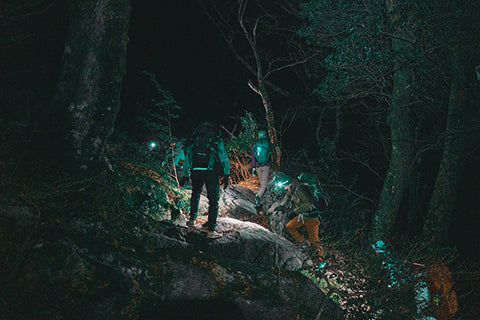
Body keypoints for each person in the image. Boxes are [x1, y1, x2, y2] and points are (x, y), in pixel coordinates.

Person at [183, 122, 230, 238]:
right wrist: (226, 173)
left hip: (196, 170)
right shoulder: (216, 137)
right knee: (213, 201)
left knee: (195, 194)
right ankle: (211, 230)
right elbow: (223, 156)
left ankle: (192, 220)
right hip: (210, 171)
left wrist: (185, 174)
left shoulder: (195, 137)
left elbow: (188, 154)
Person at [275, 175, 326, 260]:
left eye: (284, 185)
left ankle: (321, 258)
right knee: (290, 226)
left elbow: (307, 204)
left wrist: (295, 212)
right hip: (302, 217)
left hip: (311, 218)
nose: (283, 187)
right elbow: (287, 196)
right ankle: (303, 243)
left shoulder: (300, 190)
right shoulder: (292, 188)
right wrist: (281, 205)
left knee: (314, 240)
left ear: (288, 184)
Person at [251, 130, 276, 208]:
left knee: (262, 184)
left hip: (258, 166)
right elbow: (274, 155)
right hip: (266, 165)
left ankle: (260, 203)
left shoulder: (255, 145)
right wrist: (272, 163)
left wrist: (253, 167)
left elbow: (253, 157)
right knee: (264, 184)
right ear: (265, 135)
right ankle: (258, 196)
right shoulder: (269, 144)